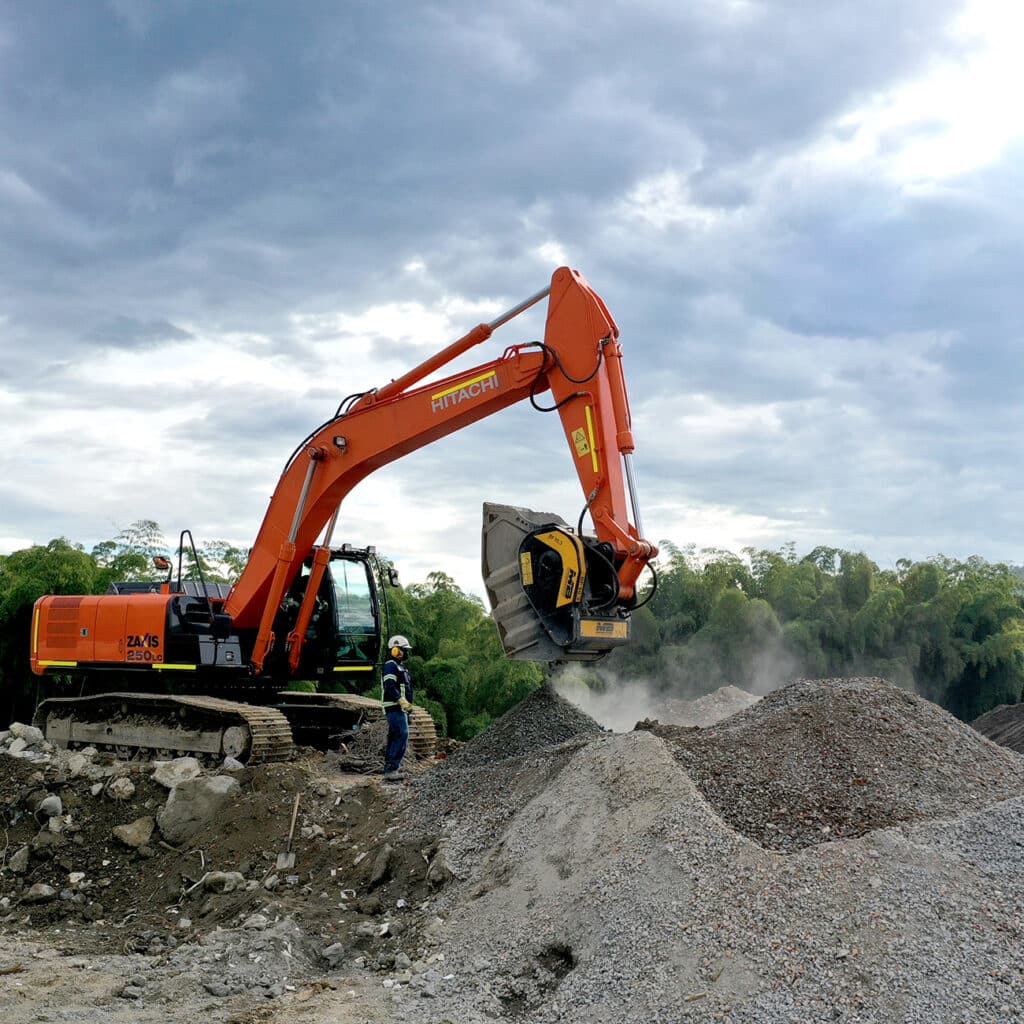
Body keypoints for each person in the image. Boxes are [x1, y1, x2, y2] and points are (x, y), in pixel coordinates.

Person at [381, 635, 414, 780]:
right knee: (402, 734)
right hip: (394, 706)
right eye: (404, 650)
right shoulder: (391, 665)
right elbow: (389, 686)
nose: (406, 652)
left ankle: (392, 768)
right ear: (395, 650)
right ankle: (391, 769)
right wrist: (400, 700)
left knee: (396, 735)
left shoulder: (401, 667)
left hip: (401, 708)